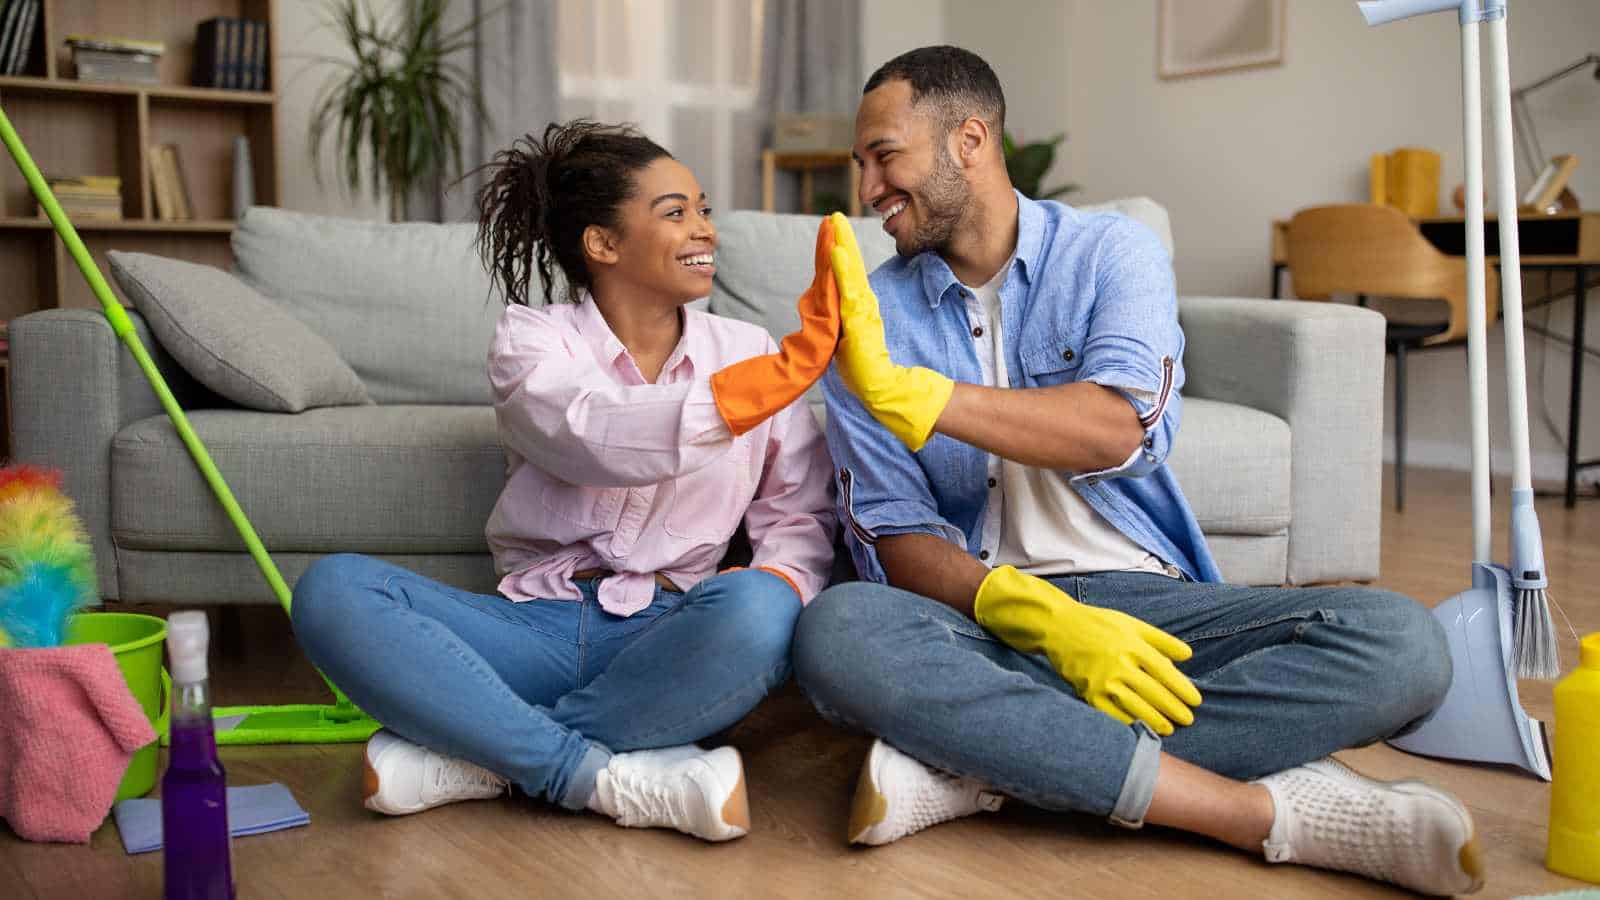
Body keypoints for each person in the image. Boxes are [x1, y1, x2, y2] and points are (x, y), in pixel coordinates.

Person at [793, 47, 1481, 896]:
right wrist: (1036, 617)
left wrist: (928, 398)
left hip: (1144, 603)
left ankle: (986, 765)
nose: (866, 189)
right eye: (860, 165)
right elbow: (892, 537)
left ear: (968, 138)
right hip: (979, 617)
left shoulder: (1109, 253)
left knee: (1403, 645)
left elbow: (1122, 427)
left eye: (883, 156)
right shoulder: (866, 313)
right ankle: (1253, 813)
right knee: (839, 630)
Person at [291, 120, 838, 843]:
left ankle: (486, 756)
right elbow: (591, 434)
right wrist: (747, 394)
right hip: (531, 627)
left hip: (672, 634)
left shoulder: (748, 350)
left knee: (766, 604)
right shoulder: (532, 339)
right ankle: (593, 773)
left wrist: (770, 587)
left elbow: (798, 520)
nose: (705, 228)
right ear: (603, 243)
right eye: (675, 212)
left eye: (703, 208)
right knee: (332, 592)